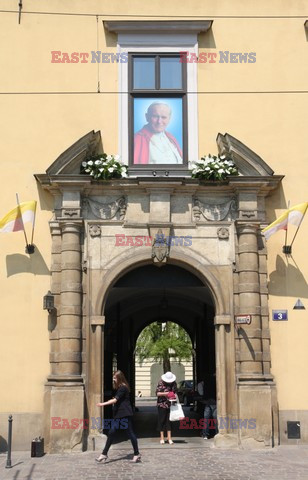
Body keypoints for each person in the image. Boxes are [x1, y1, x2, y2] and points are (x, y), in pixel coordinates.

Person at [95, 370, 141, 463]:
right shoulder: (121, 387)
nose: (113, 379)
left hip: (124, 414)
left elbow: (115, 400)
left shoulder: (123, 388)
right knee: (112, 432)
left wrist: (102, 404)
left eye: (115, 378)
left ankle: (136, 454)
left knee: (130, 434)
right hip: (119, 414)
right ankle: (104, 454)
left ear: (119, 378)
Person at [156, 371, 177, 445]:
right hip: (162, 404)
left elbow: (175, 392)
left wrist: (173, 396)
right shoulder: (161, 382)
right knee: (162, 420)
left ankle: (169, 437)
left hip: (170, 403)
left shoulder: (174, 383)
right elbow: (158, 393)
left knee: (169, 421)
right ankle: (161, 437)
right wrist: (166, 393)